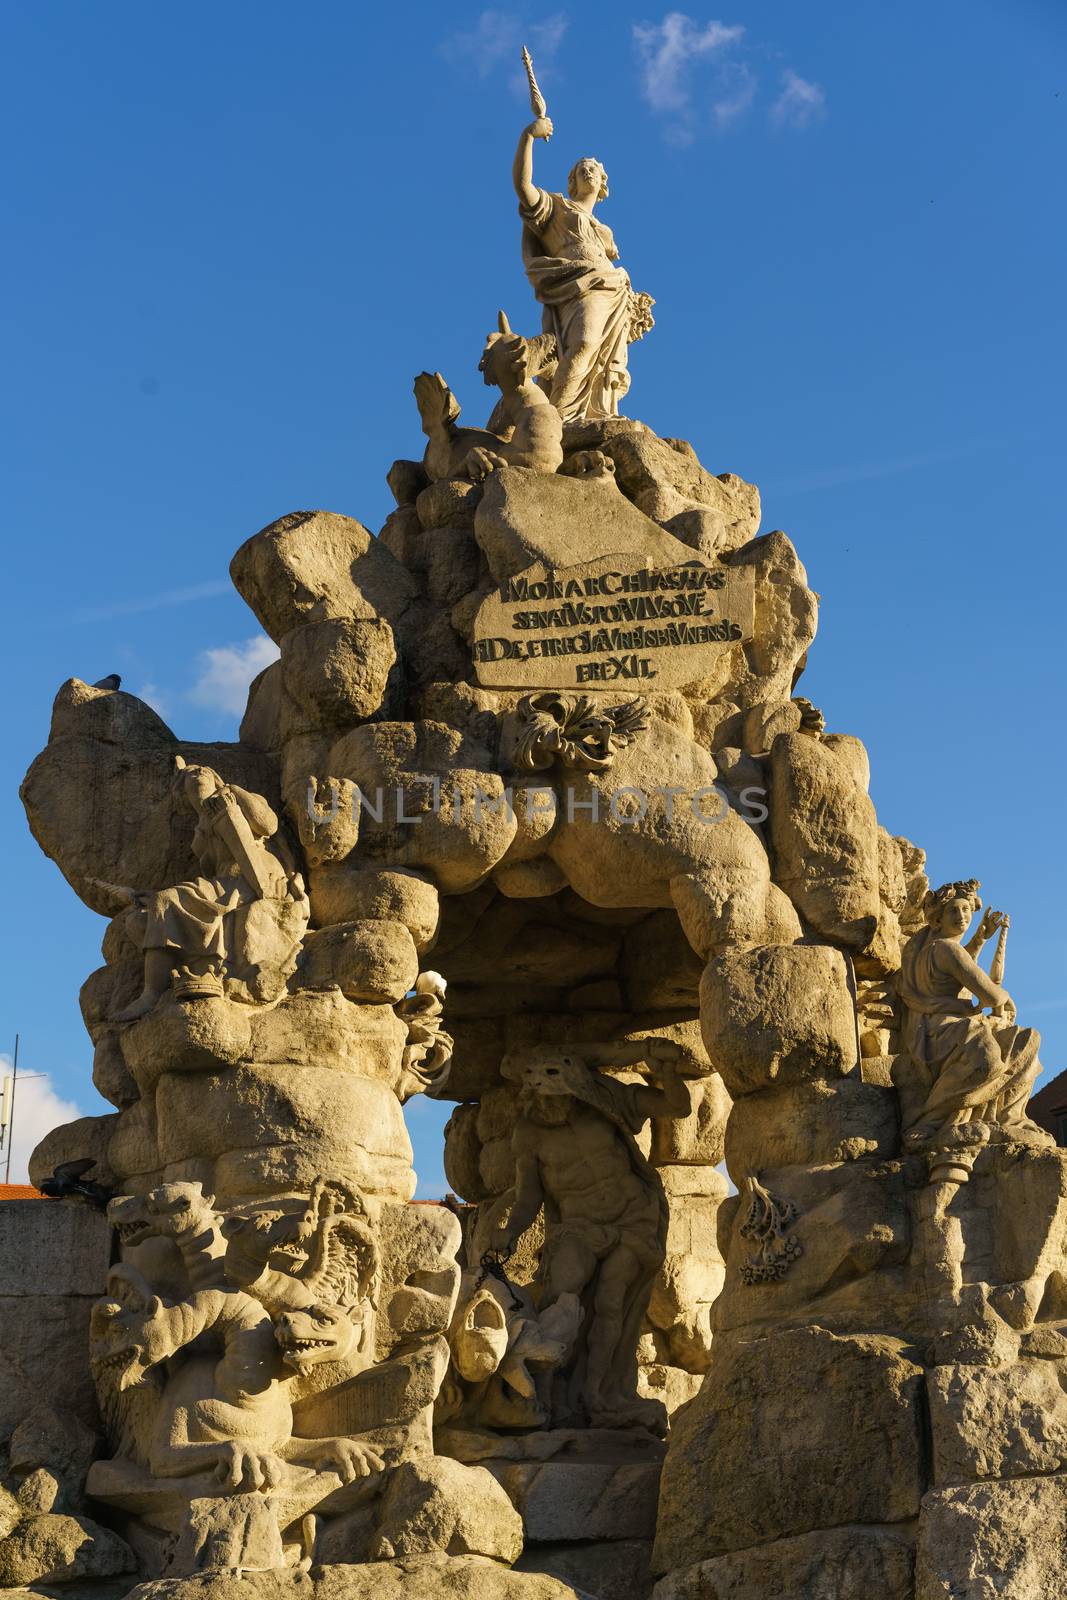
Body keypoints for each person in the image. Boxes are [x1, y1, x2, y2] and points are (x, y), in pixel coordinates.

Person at [493, 1037, 690, 1431]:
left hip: (633, 1219)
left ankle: (601, 1396)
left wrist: (666, 1071)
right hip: (578, 1228)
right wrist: (510, 1232)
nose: (548, 1101)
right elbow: (530, 1195)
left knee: (611, 1303)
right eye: (537, 1091)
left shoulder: (604, 1101)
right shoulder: (529, 1133)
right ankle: (546, 1396)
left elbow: (677, 1107)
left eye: (555, 1088)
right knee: (561, 1296)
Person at [896, 879, 1052, 1149]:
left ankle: (1007, 1116)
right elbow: (988, 992)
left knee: (1026, 1039)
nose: (962, 916)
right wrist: (1003, 998)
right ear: (937, 920)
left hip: (939, 1028)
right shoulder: (947, 949)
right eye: (954, 911)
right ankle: (933, 1118)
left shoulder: (931, 948)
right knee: (991, 1058)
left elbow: (959, 973)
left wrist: (980, 938)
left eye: (967, 910)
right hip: (944, 1032)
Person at [513, 117, 646, 421]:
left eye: (594, 170)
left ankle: (583, 413)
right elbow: (523, 186)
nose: (588, 172)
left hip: (609, 286)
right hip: (575, 284)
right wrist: (529, 137)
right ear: (571, 181)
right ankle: (557, 419)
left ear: (602, 184)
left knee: (596, 352)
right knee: (583, 343)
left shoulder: (606, 232)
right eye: (581, 169)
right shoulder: (557, 207)